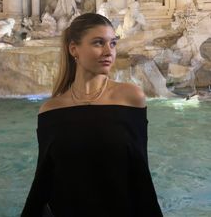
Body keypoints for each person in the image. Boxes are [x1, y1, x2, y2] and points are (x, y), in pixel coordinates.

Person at [21, 13, 163, 217]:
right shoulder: (50, 111)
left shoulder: (131, 98)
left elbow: (140, 174)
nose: (109, 52)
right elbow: (43, 181)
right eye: (98, 43)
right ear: (74, 49)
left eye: (113, 44)